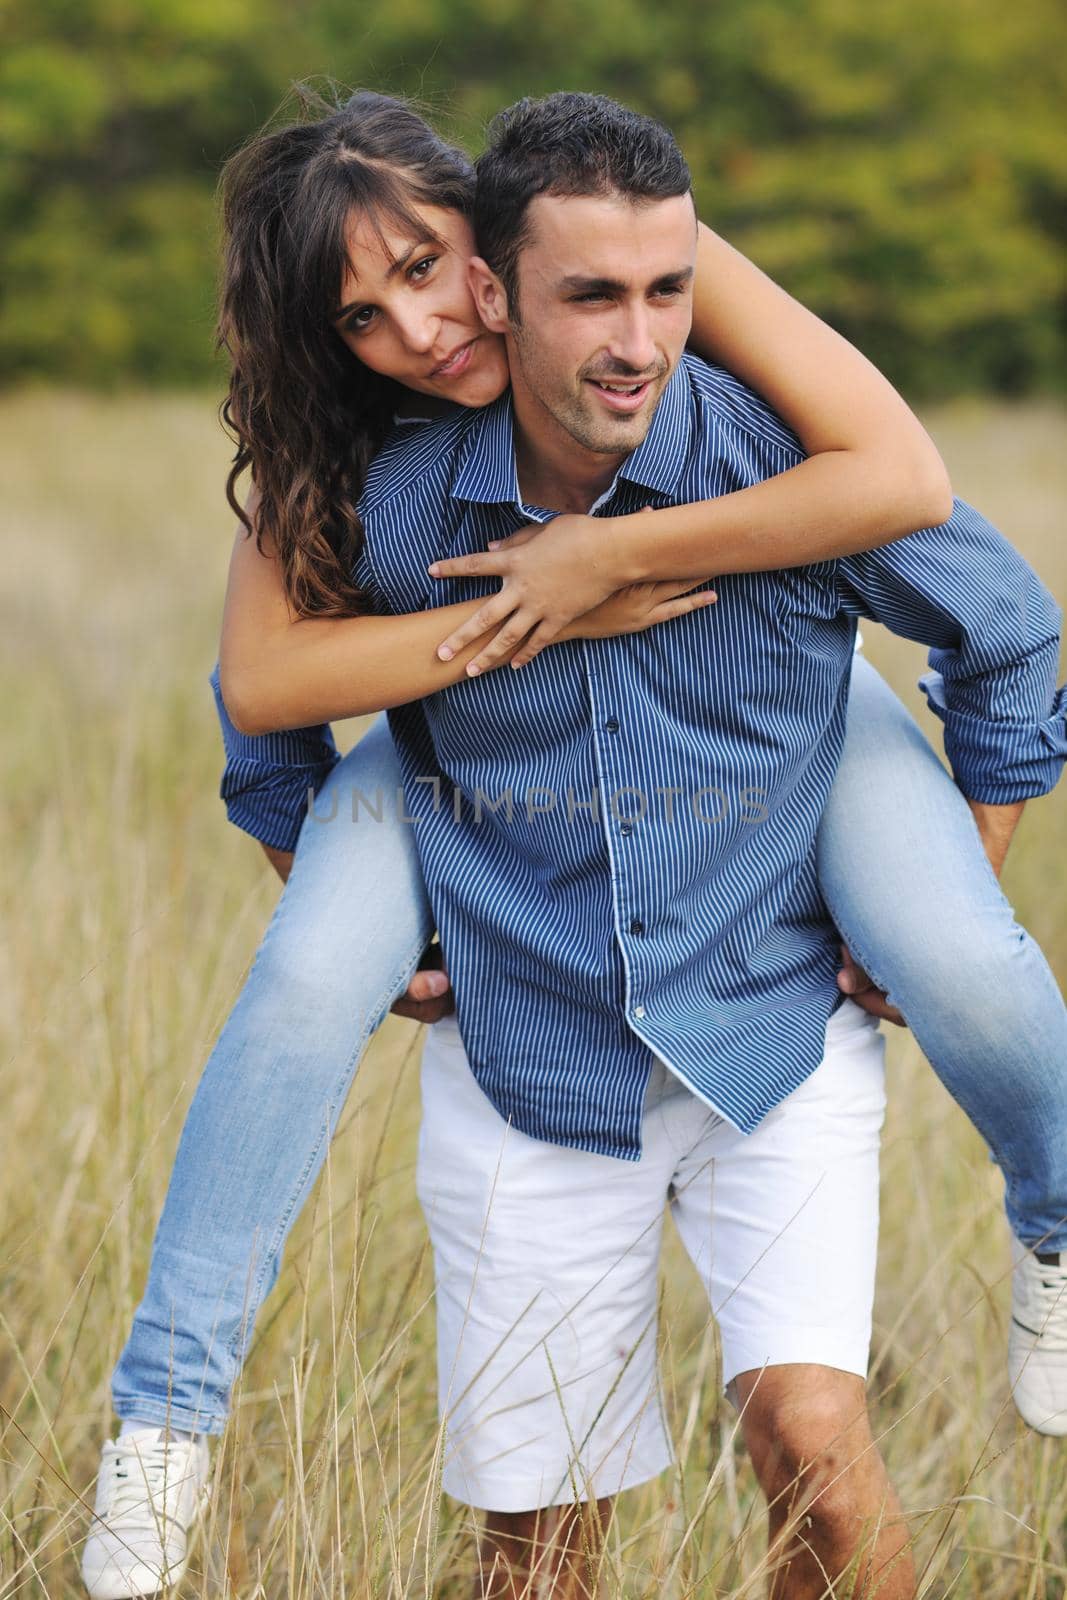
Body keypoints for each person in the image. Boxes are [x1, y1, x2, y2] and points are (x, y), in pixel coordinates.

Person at [79, 88, 1067, 1600]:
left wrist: (611, 552)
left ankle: (1057, 1227)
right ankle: (164, 1420)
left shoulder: (684, 342)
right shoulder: (373, 477)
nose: (417, 327)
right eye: (366, 312)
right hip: (496, 911)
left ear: (487, 240)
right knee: (300, 988)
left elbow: (932, 522)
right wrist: (518, 620)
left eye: (428, 269)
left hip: (772, 916)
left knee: (954, 957)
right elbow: (264, 699)